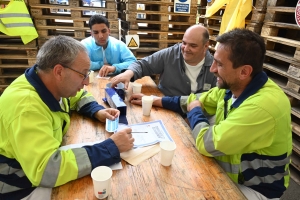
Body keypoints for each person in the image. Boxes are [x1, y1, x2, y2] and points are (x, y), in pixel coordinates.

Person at [132, 29, 292, 199]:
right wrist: (154, 100)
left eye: (220, 64)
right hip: (229, 171)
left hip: (254, 189)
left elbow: (207, 143)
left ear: (244, 72)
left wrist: (195, 111)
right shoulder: (236, 87)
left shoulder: (262, 107)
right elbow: (194, 99)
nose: (213, 69)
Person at [0, 35, 134, 200]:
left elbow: (76, 96)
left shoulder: (47, 82)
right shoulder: (26, 108)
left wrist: (96, 111)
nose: (86, 82)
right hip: (21, 188)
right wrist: (110, 147)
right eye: (83, 74)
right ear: (59, 71)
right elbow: (47, 170)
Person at [110, 24, 217, 97]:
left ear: (206, 46)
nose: (186, 49)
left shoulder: (215, 67)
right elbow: (144, 64)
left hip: (197, 115)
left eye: (193, 46)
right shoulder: (170, 54)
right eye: (184, 43)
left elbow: (216, 99)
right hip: (167, 108)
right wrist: (129, 73)